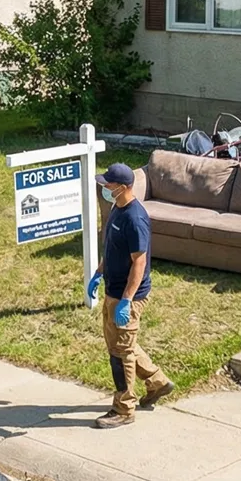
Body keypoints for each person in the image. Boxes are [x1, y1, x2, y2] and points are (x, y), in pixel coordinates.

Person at [88, 163, 173, 429]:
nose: (104, 187)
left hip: (128, 296)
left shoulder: (135, 219)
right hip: (113, 289)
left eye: (108, 184)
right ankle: (157, 381)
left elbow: (139, 262)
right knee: (121, 344)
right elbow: (113, 249)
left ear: (122, 187)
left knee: (121, 353)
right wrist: (99, 273)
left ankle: (124, 409)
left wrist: (127, 299)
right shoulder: (117, 208)